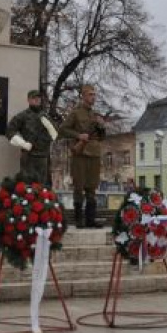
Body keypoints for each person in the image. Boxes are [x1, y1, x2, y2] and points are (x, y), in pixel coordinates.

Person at [59, 84, 106, 228]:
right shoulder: (75, 113)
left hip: (94, 153)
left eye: (94, 94)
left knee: (92, 187)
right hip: (81, 153)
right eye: (91, 94)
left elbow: (101, 137)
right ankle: (79, 219)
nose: (93, 97)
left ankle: (90, 220)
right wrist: (79, 135)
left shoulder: (95, 115)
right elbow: (63, 129)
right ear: (83, 96)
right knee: (79, 187)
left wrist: (102, 126)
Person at [6, 89, 57, 185]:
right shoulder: (22, 116)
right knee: (28, 186)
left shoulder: (46, 116)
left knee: (43, 187)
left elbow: (55, 134)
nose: (37, 100)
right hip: (29, 157)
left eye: (38, 98)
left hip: (43, 157)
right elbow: (9, 131)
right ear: (29, 100)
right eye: (34, 98)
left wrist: (48, 125)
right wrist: (23, 143)